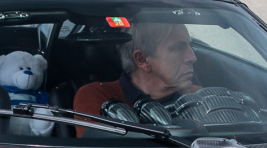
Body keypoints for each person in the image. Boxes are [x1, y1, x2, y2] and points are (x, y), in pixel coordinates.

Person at [71, 20, 199, 117]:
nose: (192, 58)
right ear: (142, 59)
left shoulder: (198, 96)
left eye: (189, 46)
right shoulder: (98, 97)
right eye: (177, 48)